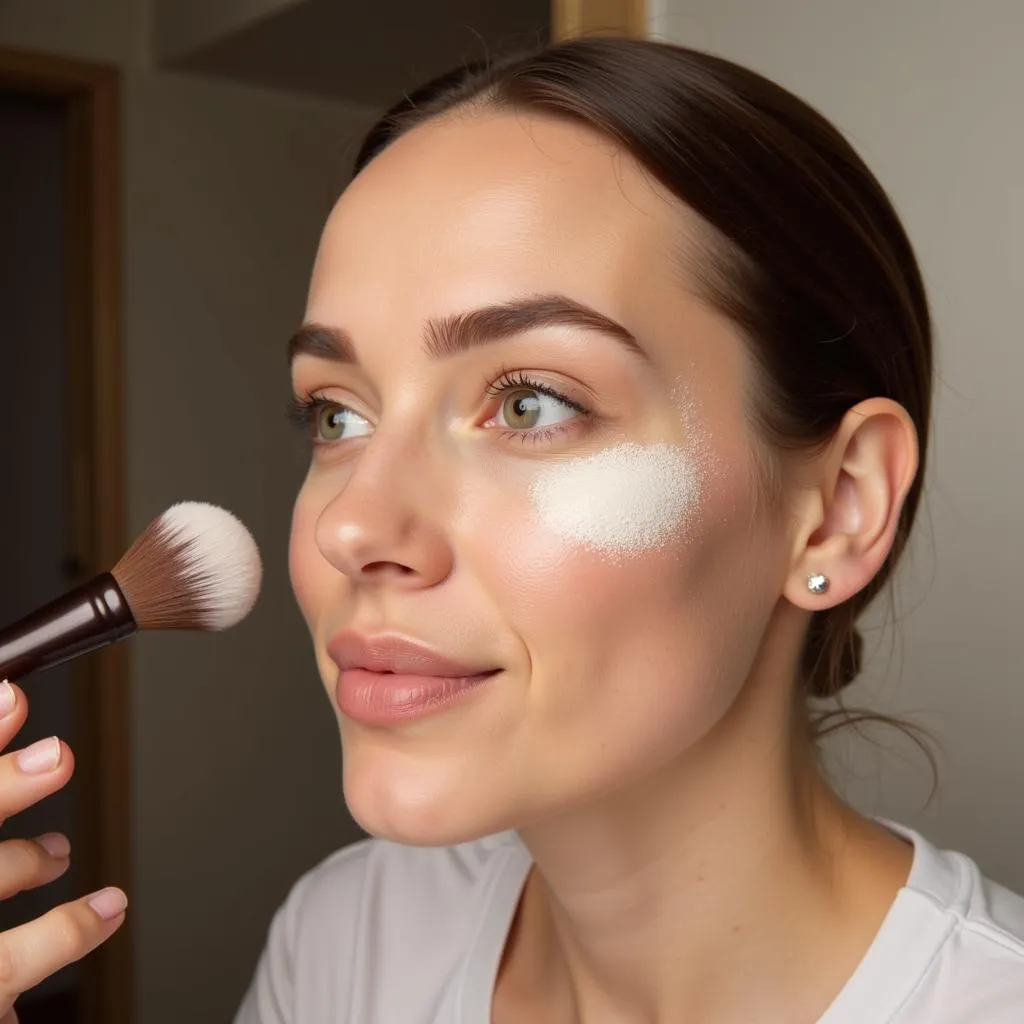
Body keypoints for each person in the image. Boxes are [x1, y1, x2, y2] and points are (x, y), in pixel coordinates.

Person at [0, 35, 1021, 1023]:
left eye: (530, 402)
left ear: (837, 509)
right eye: (337, 414)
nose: (351, 525)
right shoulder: (353, 938)